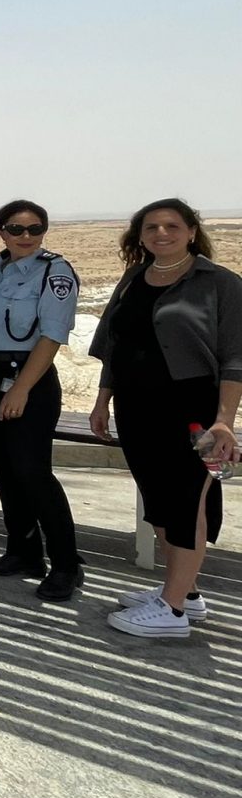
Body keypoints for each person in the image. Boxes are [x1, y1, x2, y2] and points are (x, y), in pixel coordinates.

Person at [90, 198, 241, 638]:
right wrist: (103, 399)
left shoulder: (220, 283)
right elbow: (114, 345)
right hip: (136, 406)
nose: (161, 233)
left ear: (192, 231)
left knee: (187, 501)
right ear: (140, 236)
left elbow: (235, 357)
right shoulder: (134, 278)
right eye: (151, 227)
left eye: (172, 226)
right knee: (157, 498)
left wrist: (224, 421)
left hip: (193, 409)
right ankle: (185, 594)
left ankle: (171, 612)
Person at [0, 200, 85, 601]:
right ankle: (24, 551)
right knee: (5, 471)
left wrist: (21, 389)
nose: (26, 237)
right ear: (1, 231)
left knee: (33, 473)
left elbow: (51, 336)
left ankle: (66, 564)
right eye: (16, 229)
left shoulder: (54, 272)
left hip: (27, 379)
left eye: (35, 229)